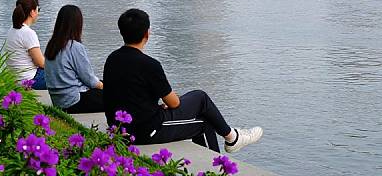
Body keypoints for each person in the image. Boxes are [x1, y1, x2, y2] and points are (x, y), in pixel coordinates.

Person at [103, 8, 263, 153]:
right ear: (147, 34)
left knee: (203, 111)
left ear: (122, 32)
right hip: (144, 131)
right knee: (202, 106)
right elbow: (174, 103)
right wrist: (167, 101)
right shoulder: (149, 64)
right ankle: (231, 140)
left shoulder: (112, 59)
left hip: (119, 129)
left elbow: (124, 94)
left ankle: (231, 139)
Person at [44, 5, 103, 113]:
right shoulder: (74, 46)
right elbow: (90, 80)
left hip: (58, 100)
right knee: (117, 94)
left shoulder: (52, 45)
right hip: (75, 101)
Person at [5, 0, 46, 90]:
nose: (38, 13)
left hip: (14, 78)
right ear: (32, 12)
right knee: (64, 75)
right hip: (29, 80)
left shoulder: (12, 30)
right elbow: (41, 63)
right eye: (37, 9)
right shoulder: (28, 33)